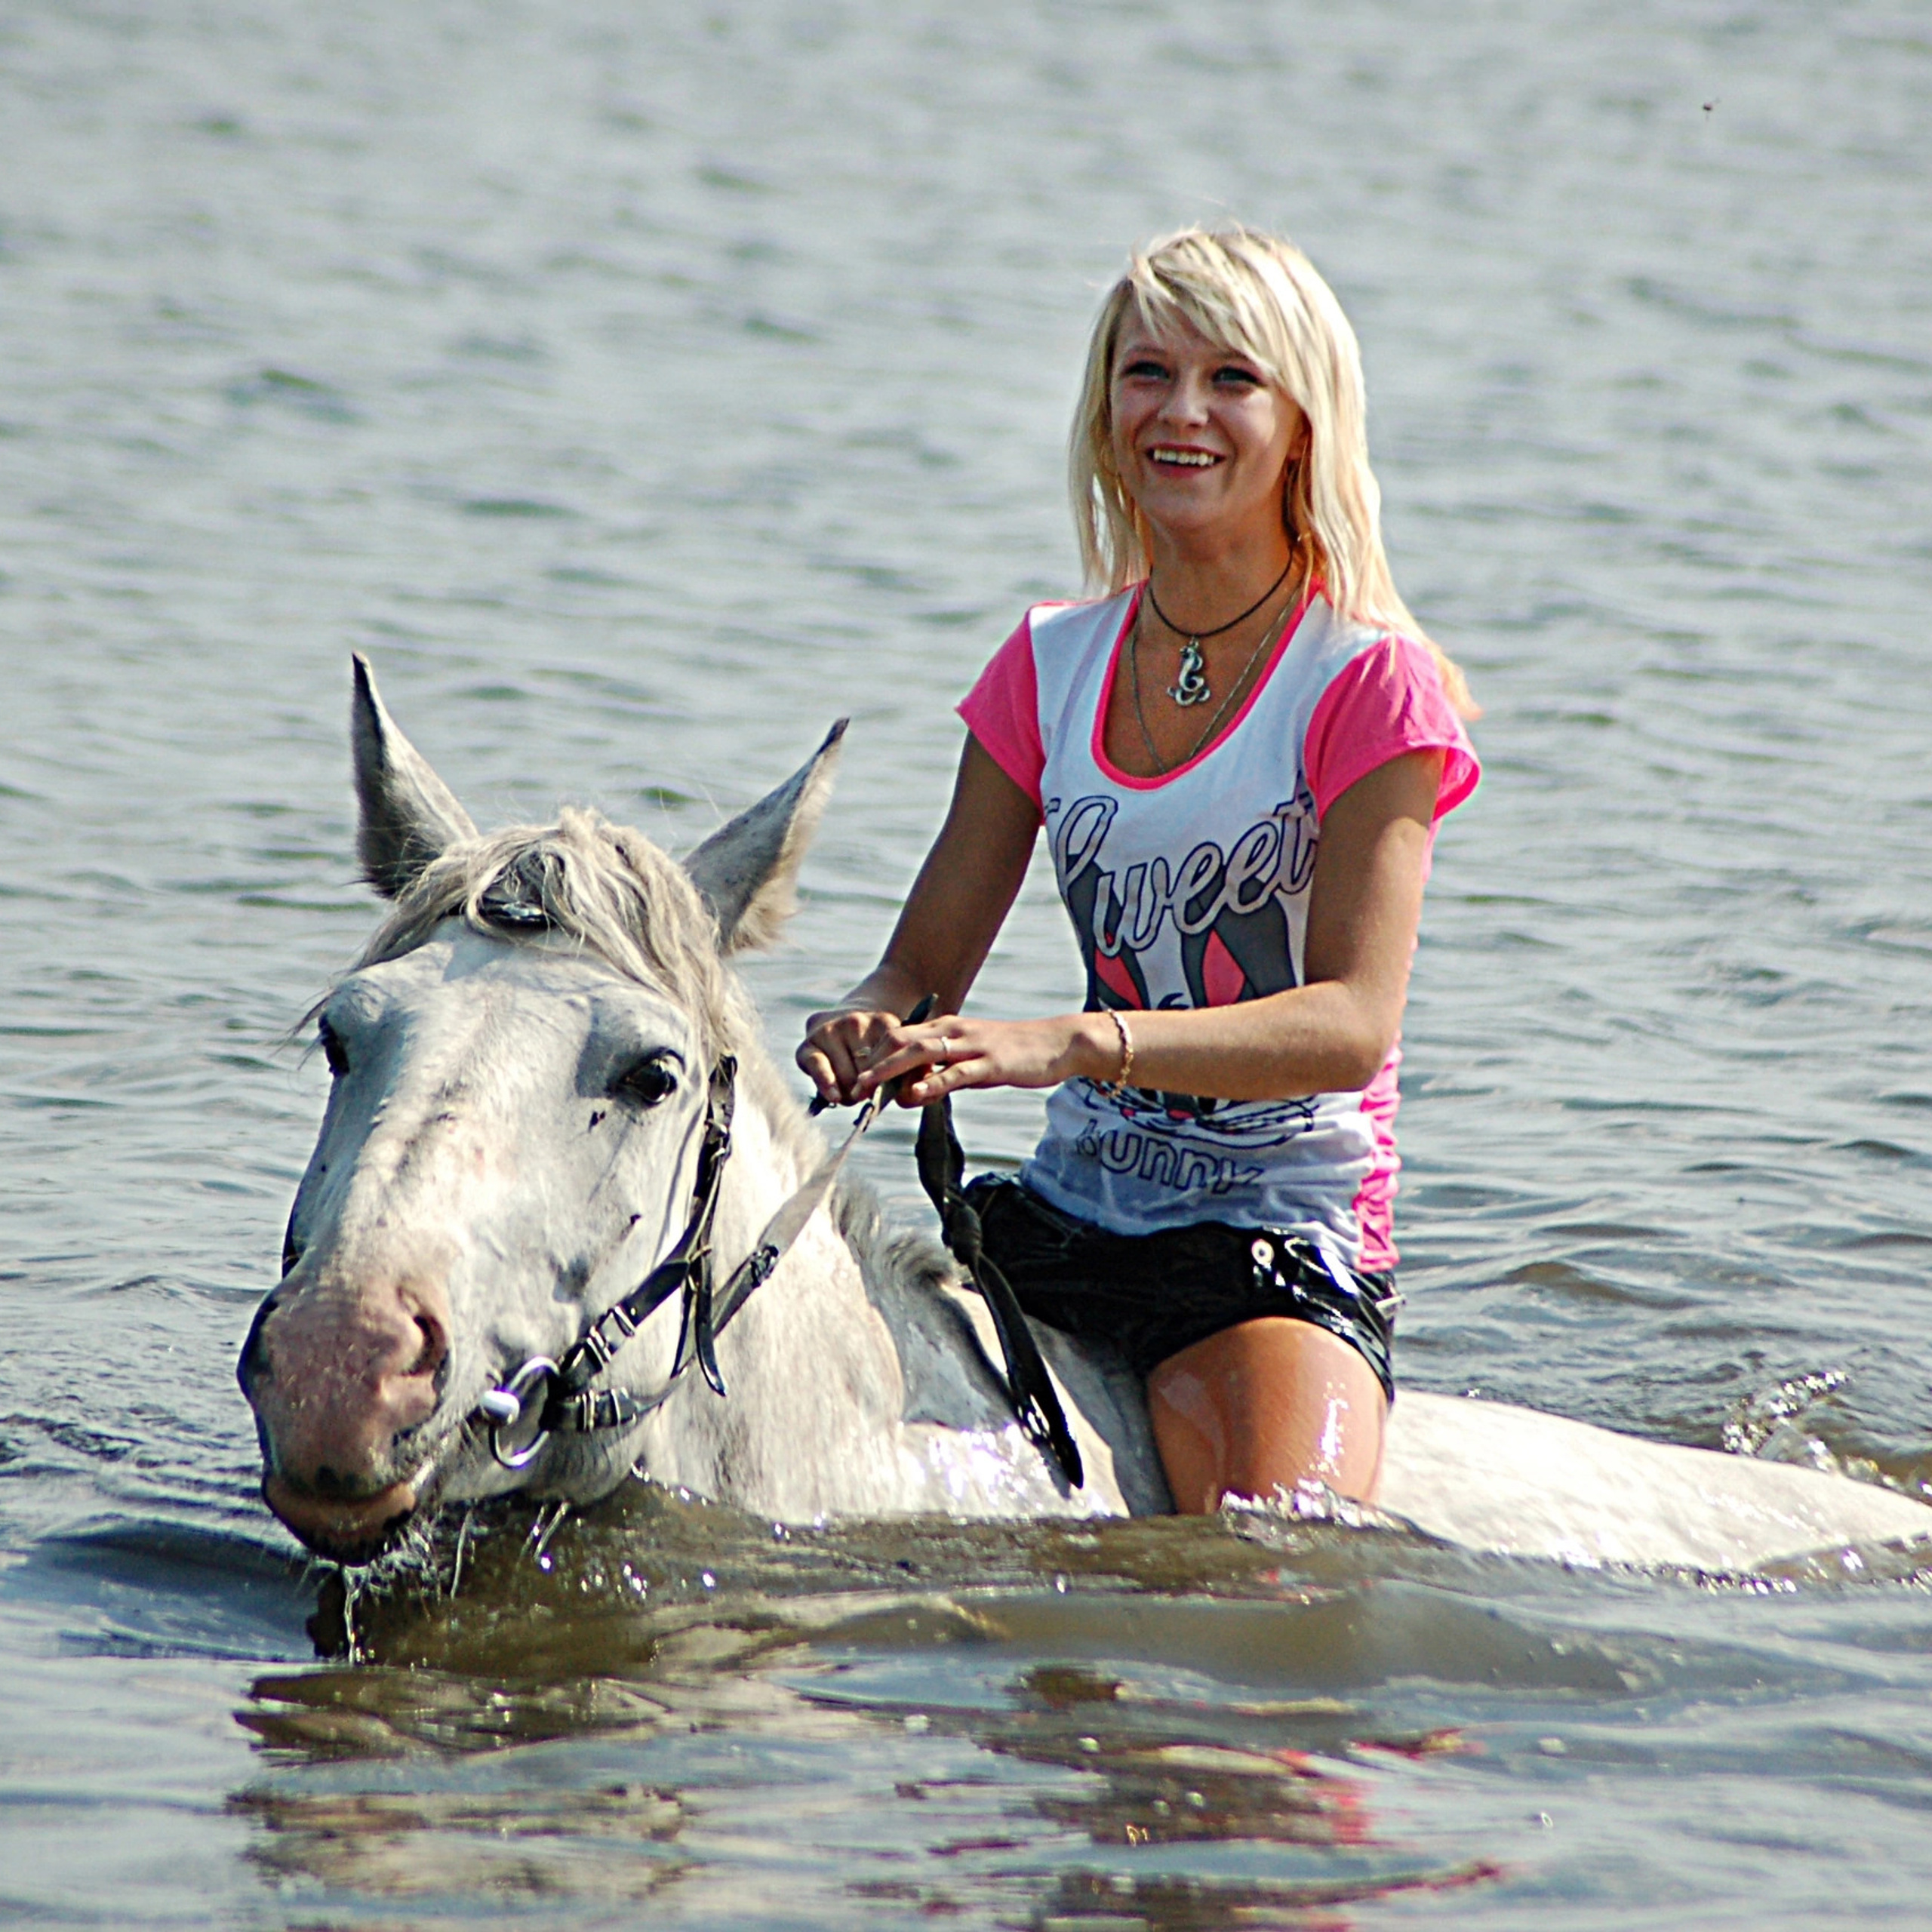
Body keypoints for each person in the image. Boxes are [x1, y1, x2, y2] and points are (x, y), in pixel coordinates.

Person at [796, 226, 1479, 1515]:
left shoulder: (1371, 683)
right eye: (1147, 374)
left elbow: (1351, 1026)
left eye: (1233, 380)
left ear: (1304, 425)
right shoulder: (1045, 665)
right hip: (1064, 1217)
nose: (1182, 412)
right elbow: (922, 966)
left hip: (1272, 1234)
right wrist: (867, 1023)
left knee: (1276, 1575)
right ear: (1106, 412)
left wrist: (1072, 1044)